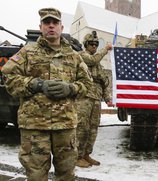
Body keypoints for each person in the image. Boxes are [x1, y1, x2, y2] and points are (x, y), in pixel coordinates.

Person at [1, 7, 92, 181]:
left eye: (55, 23)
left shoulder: (74, 56)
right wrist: (36, 84)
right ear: (41, 27)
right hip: (34, 126)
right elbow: (8, 77)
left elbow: (87, 85)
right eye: (46, 23)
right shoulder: (27, 52)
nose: (51, 26)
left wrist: (70, 88)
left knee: (66, 175)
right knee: (36, 176)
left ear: (61, 27)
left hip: (65, 126)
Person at [76, 31, 113, 168]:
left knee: (93, 129)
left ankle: (86, 154)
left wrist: (108, 99)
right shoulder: (82, 56)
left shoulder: (99, 66)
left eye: (96, 44)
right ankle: (77, 156)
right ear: (86, 45)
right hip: (84, 98)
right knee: (82, 128)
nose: (94, 46)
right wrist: (106, 49)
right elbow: (92, 60)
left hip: (96, 99)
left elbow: (104, 83)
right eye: (91, 44)